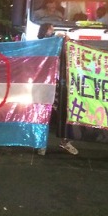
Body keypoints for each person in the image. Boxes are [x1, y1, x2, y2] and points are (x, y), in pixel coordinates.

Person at [36, 23, 79, 156]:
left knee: (63, 114)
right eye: (51, 29)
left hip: (58, 86)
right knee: (44, 115)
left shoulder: (61, 48)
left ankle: (65, 141)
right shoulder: (42, 45)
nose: (54, 32)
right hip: (45, 86)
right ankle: (41, 144)